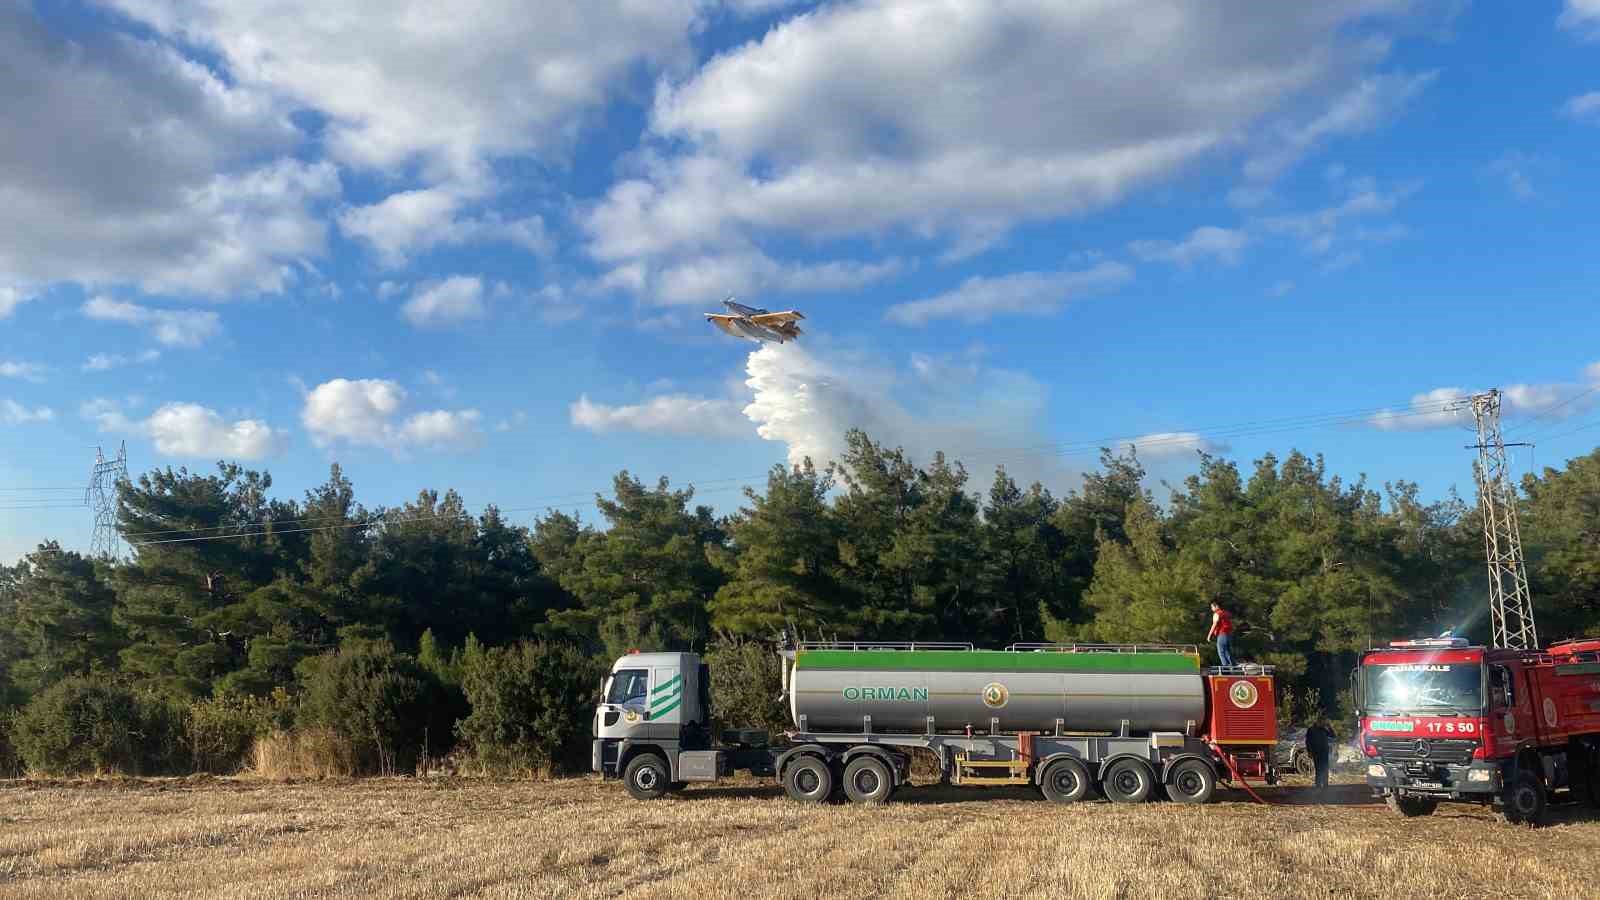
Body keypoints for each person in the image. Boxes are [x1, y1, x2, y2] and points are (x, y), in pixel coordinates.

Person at [1305, 719, 1336, 790]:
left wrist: (1329, 727)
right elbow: (1308, 742)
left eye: (1323, 722)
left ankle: (1325, 785)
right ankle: (1318, 785)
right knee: (1318, 769)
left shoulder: (1324, 729)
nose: (1322, 723)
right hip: (1316, 752)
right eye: (1321, 722)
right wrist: (1309, 751)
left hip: (1324, 752)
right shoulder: (1311, 730)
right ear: (1316, 722)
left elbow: (1333, 736)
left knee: (1325, 768)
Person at [1206, 600, 1235, 667]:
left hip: (1222, 635)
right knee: (1228, 652)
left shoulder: (1217, 614)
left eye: (1212, 607)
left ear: (1216, 606)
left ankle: (1225, 668)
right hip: (1229, 635)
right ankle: (1233, 667)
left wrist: (1209, 635)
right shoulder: (1226, 613)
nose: (1211, 609)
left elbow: (1214, 624)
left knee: (1221, 652)